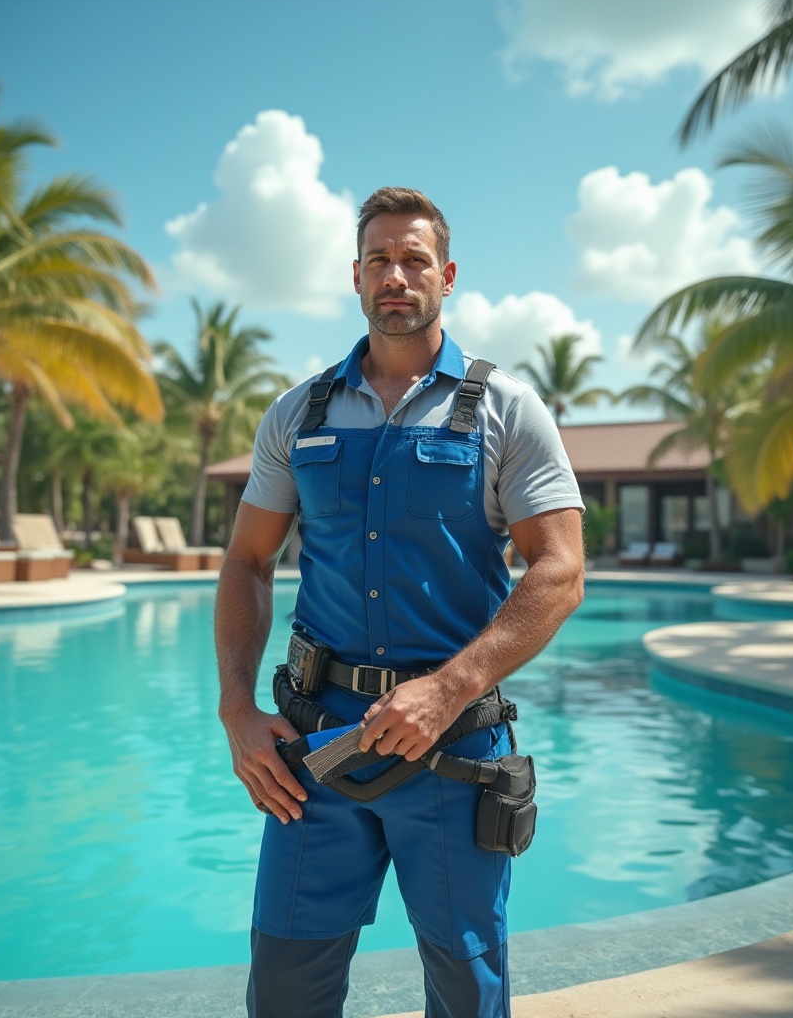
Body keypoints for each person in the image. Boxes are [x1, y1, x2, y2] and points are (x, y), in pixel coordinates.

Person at [215, 187, 585, 1018]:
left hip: (453, 752)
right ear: (355, 276)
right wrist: (237, 707)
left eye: (414, 259)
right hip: (315, 753)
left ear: (446, 276)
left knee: (467, 994)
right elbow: (246, 561)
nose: (396, 275)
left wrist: (449, 688)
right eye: (379, 259)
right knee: (283, 991)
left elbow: (559, 570)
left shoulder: (504, 409)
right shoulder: (295, 414)